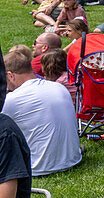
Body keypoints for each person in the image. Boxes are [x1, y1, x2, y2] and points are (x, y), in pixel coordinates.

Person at [2, 46, 81, 176]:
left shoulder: (12, 99)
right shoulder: (59, 87)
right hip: (72, 159)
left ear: (10, 75)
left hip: (37, 167)